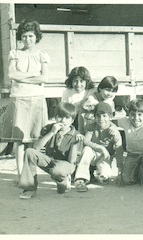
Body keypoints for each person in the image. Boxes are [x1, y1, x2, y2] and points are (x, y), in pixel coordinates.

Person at [1, 20, 50, 180]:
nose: (27, 39)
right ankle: (20, 174)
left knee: (35, 139)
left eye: (31, 36)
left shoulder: (42, 55)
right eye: (24, 36)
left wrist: (22, 78)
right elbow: (11, 75)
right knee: (19, 140)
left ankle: (31, 174)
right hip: (19, 99)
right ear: (20, 38)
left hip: (36, 100)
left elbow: (45, 77)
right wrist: (33, 77)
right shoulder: (15, 54)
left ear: (36, 37)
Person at [18, 102, 80, 199]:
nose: (63, 120)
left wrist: (75, 144)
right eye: (60, 116)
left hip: (66, 164)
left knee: (57, 172)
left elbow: (72, 161)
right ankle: (30, 188)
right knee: (29, 152)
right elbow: (36, 148)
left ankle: (63, 181)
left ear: (72, 120)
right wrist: (51, 133)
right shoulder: (49, 128)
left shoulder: (76, 135)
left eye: (67, 118)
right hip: (50, 160)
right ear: (55, 117)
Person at [74, 102, 124, 192]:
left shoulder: (114, 131)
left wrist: (120, 173)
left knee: (105, 178)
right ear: (95, 117)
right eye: (98, 116)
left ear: (110, 117)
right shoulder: (91, 126)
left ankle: (97, 173)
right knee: (87, 150)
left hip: (105, 157)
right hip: (93, 153)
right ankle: (80, 179)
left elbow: (119, 150)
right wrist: (101, 148)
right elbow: (86, 141)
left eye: (104, 116)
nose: (101, 119)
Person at [117, 98, 143, 186]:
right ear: (128, 114)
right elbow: (111, 123)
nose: (136, 118)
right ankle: (137, 173)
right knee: (127, 180)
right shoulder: (125, 121)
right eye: (132, 114)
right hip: (132, 154)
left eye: (140, 115)